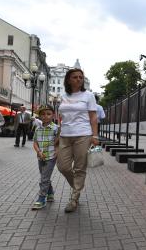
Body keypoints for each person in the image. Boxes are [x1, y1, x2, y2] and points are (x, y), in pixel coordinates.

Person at [57, 68, 99, 213]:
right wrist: (58, 133)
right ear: (68, 80)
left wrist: (95, 136)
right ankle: (77, 187)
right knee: (63, 166)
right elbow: (61, 117)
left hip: (83, 134)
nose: (78, 79)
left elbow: (93, 117)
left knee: (80, 168)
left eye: (81, 77)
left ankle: (74, 198)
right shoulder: (63, 96)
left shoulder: (88, 96)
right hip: (65, 135)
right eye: (75, 77)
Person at [31, 105, 59, 210]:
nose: (45, 116)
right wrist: (38, 151)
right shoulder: (38, 128)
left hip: (51, 157)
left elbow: (59, 142)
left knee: (44, 178)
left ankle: (41, 199)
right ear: (39, 115)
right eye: (43, 114)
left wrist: (57, 149)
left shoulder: (56, 128)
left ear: (53, 115)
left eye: (48, 114)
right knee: (44, 176)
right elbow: (35, 142)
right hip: (40, 157)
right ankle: (50, 193)